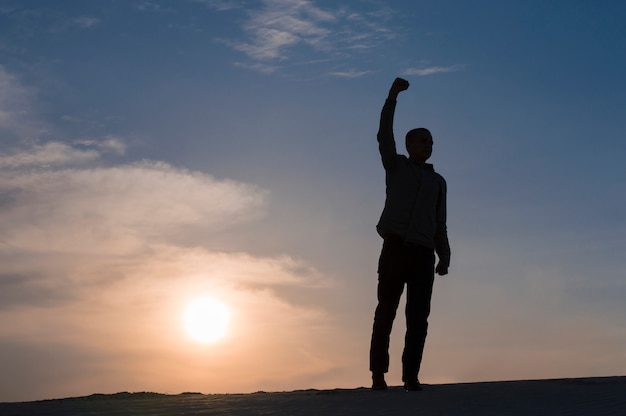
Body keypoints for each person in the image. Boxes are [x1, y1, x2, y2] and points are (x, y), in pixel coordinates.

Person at [369, 77, 451, 391]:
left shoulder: (438, 182)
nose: (427, 146)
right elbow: (383, 135)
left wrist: (444, 256)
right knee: (385, 312)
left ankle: (411, 377)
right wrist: (392, 96)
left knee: (418, 319)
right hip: (395, 248)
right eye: (421, 141)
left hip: (422, 255)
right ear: (408, 146)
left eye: (430, 142)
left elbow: (439, 223)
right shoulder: (396, 166)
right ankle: (378, 375)